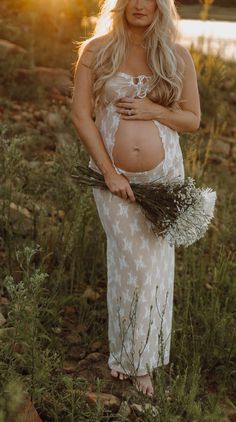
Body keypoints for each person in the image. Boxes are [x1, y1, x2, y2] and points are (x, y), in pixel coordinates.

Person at [71, 0, 201, 397]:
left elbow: (192, 120)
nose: (141, 3)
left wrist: (152, 110)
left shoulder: (176, 55)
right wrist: (109, 173)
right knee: (130, 263)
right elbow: (80, 114)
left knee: (155, 269)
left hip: (165, 179)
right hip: (114, 178)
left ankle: (140, 357)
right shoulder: (97, 49)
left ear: (162, 5)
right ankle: (133, 361)